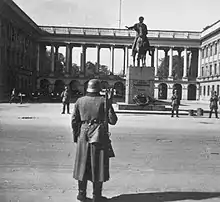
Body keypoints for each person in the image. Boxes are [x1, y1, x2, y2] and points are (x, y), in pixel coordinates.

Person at [71, 79, 118, 202]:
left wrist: (77, 136)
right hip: (99, 135)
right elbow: (113, 120)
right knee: (98, 166)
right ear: (99, 89)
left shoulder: (79, 101)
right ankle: (97, 196)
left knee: (82, 165)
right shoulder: (104, 101)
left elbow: (74, 121)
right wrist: (109, 104)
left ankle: (81, 194)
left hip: (83, 134)